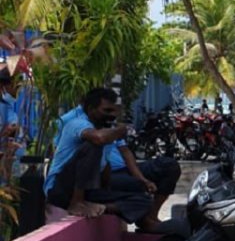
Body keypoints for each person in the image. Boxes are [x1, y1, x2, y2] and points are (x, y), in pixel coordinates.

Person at [44, 88, 151, 223]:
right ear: (91, 109)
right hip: (60, 189)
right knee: (94, 144)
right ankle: (77, 203)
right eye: (106, 111)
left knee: (144, 200)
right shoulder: (77, 123)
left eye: (114, 111)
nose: (112, 115)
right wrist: (120, 130)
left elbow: (105, 166)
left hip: (87, 190)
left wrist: (106, 194)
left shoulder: (104, 131)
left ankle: (102, 208)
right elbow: (98, 139)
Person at [103, 139, 181, 231]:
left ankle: (151, 217)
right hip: (106, 174)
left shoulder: (112, 127)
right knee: (136, 186)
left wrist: (142, 179)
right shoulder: (87, 129)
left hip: (126, 168)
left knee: (170, 166)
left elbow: (125, 152)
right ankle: (142, 218)